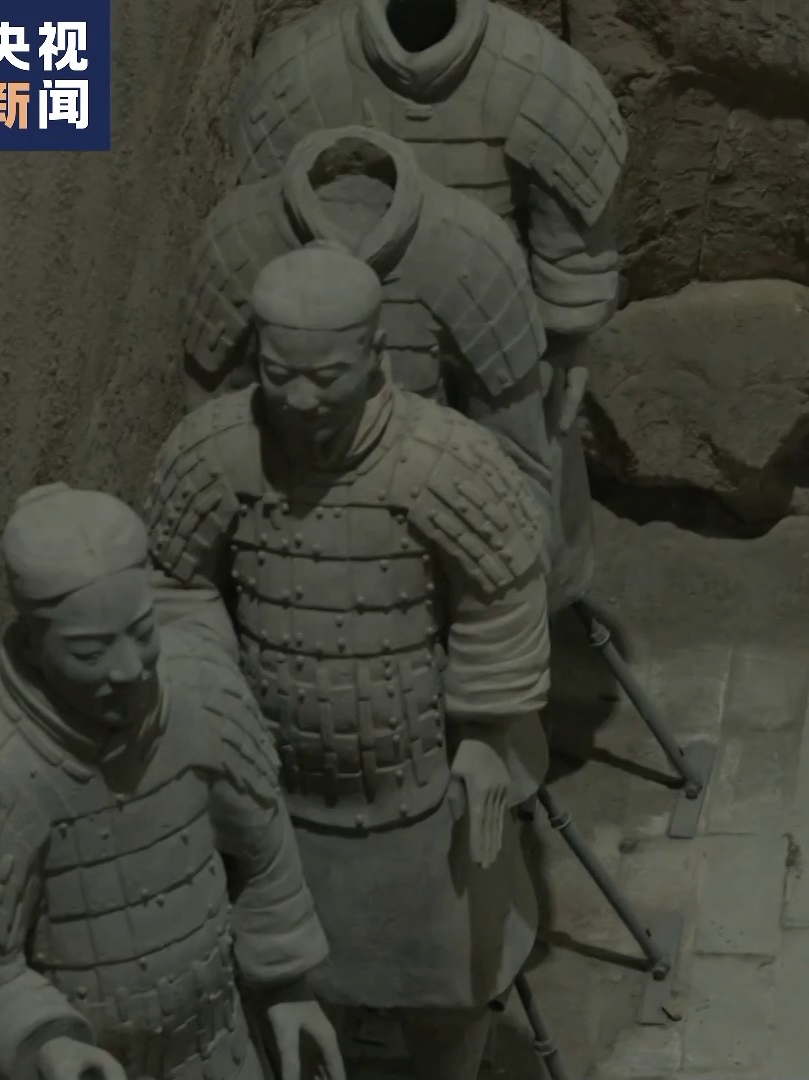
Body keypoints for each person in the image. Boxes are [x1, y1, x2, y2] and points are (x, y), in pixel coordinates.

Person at [144, 243, 552, 1080]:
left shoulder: (443, 460)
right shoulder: (215, 453)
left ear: (374, 355)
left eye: (325, 377)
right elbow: (174, 581)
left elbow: (504, 587)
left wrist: (485, 733)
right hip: (280, 803)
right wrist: (219, 706)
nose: (299, 400)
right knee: (294, 995)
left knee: (449, 997)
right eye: (278, 374)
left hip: (423, 797)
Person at [0, 484, 342, 1080]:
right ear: (33, 643)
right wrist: (48, 1045)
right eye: (91, 653)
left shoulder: (202, 689)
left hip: (220, 1051)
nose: (131, 668)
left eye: (142, 631)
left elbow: (264, 850)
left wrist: (287, 987)